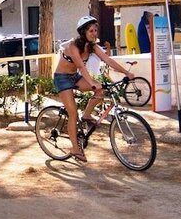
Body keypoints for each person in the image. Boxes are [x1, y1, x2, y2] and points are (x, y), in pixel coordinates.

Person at [53, 15, 135, 162]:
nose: (94, 33)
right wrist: (91, 82)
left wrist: (126, 72)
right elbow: (80, 66)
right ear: (83, 31)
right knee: (73, 113)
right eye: (91, 31)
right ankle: (75, 149)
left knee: (101, 91)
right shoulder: (73, 46)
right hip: (62, 78)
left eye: (95, 31)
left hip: (75, 77)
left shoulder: (92, 46)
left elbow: (107, 59)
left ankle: (86, 115)